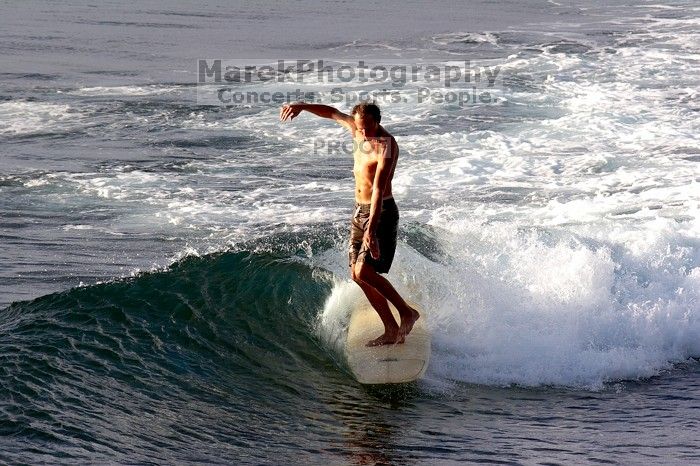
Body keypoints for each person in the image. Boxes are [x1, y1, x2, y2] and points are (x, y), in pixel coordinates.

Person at [280, 101, 420, 346]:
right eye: (359, 127)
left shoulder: (385, 146)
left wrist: (371, 229)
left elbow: (377, 190)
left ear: (377, 122)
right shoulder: (356, 130)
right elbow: (333, 113)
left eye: (368, 127)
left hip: (381, 212)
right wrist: (301, 106)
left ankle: (406, 312)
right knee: (357, 275)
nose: (363, 133)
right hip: (358, 210)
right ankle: (390, 328)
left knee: (364, 270)